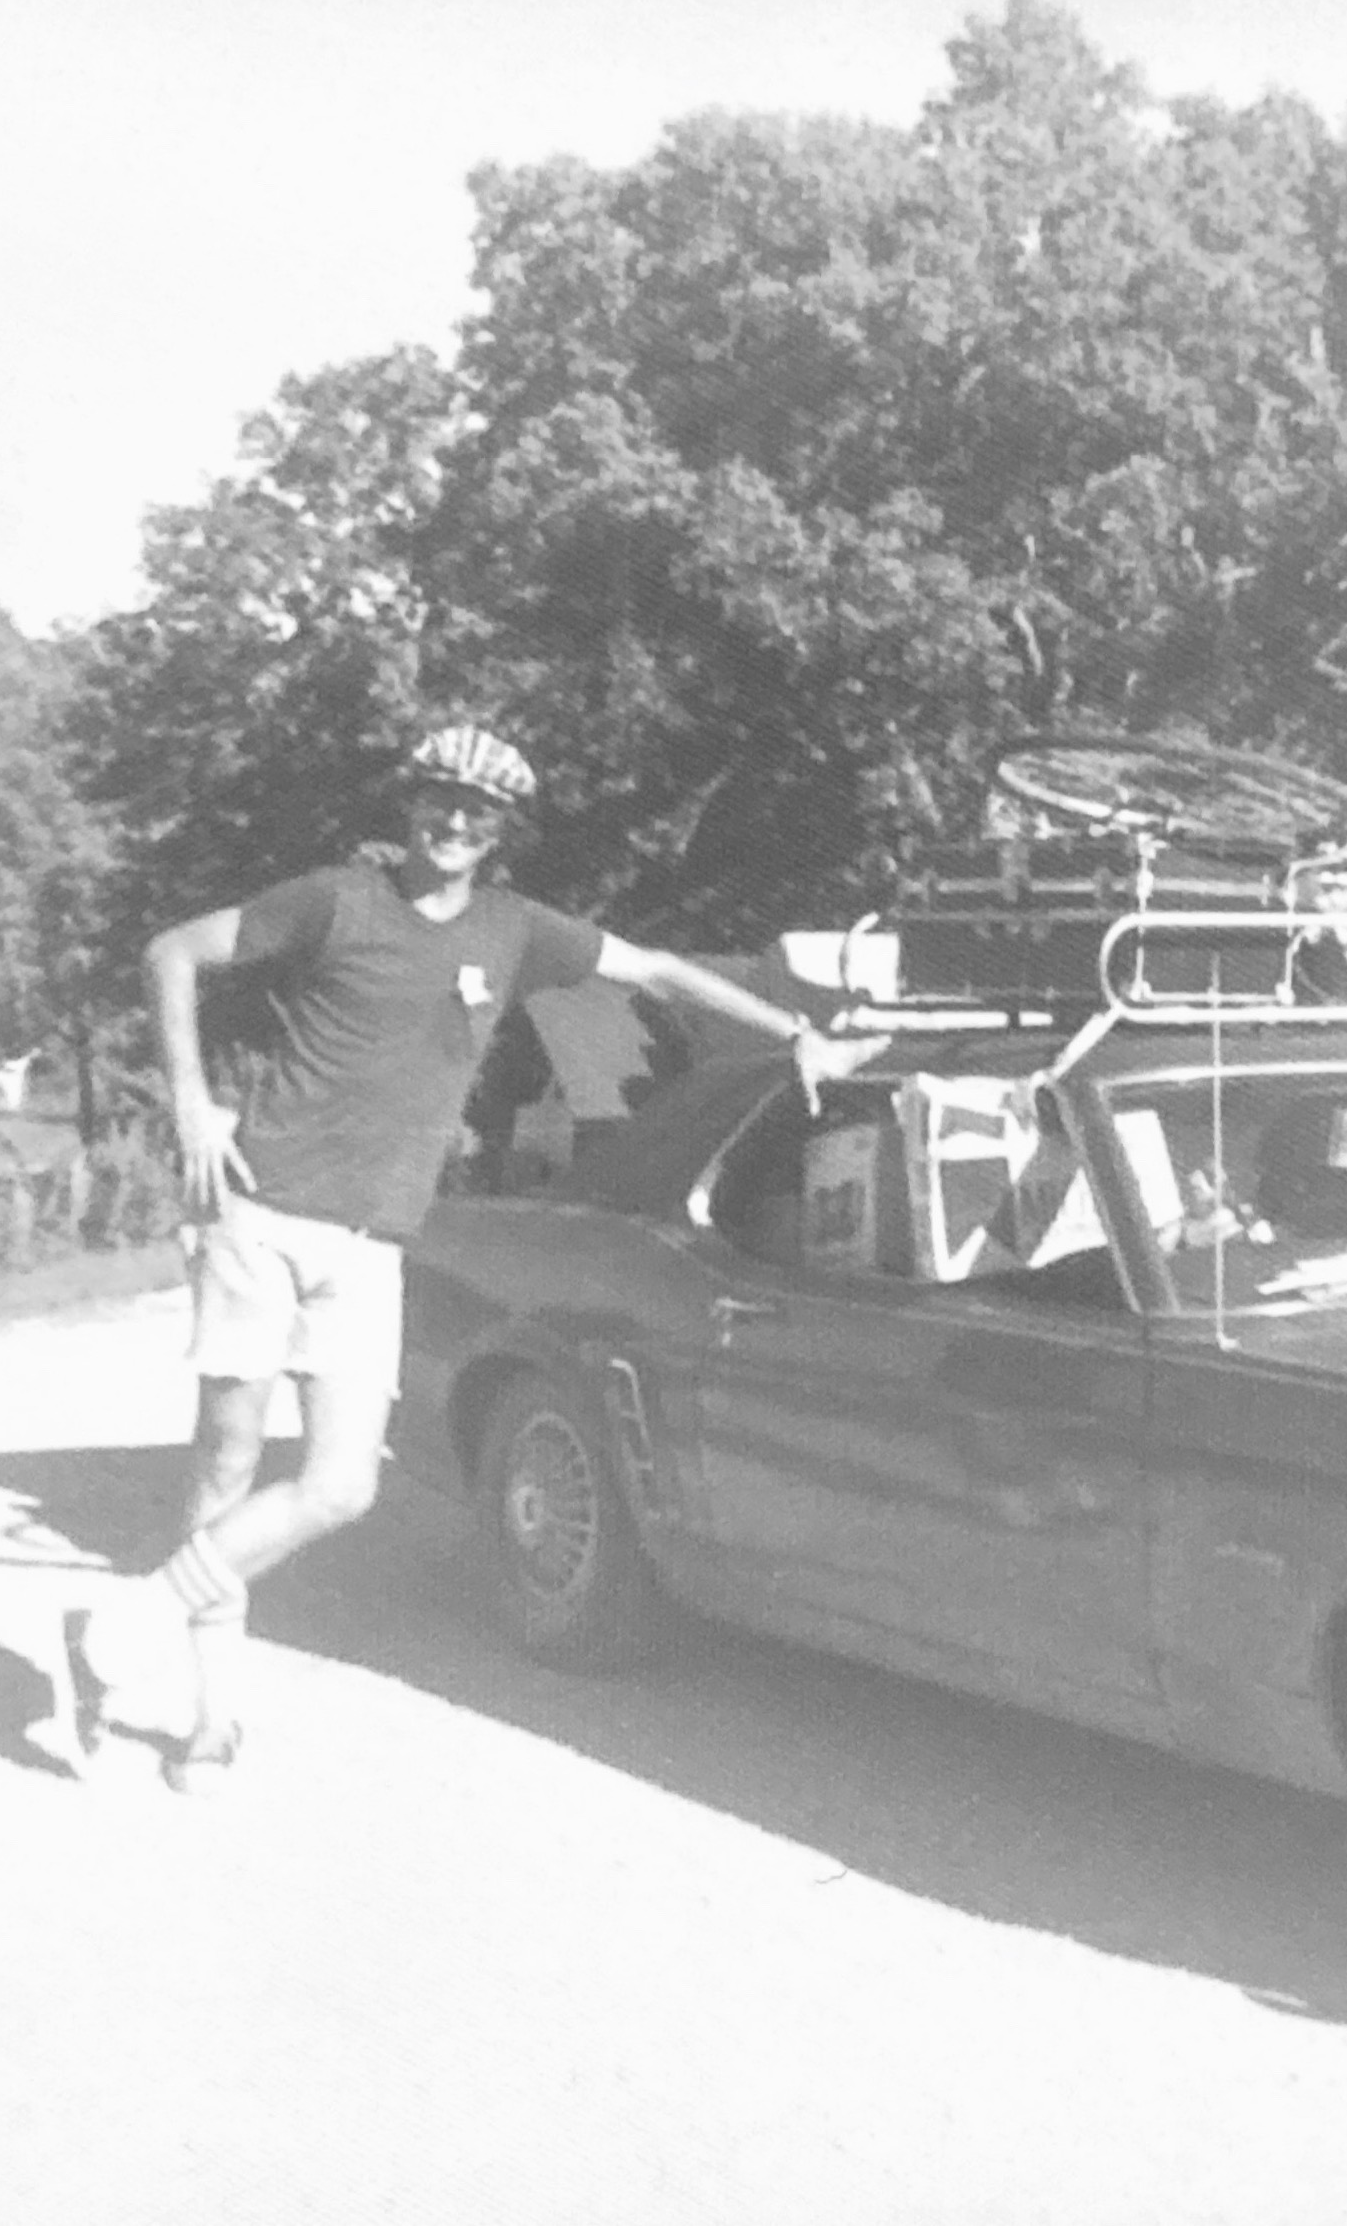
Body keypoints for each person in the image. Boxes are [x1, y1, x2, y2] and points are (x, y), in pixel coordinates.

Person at [64, 722, 865, 1791]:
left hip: (372, 1242)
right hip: (260, 1212)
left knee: (343, 1482)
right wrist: (191, 1100)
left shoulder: (517, 929)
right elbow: (173, 950)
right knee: (227, 1461)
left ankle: (124, 1622)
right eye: (439, 798)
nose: (453, 822)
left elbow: (661, 969)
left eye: (476, 812)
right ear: (412, 803)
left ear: (499, 831)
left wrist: (793, 1034)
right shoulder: (335, 898)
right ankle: (213, 1718)